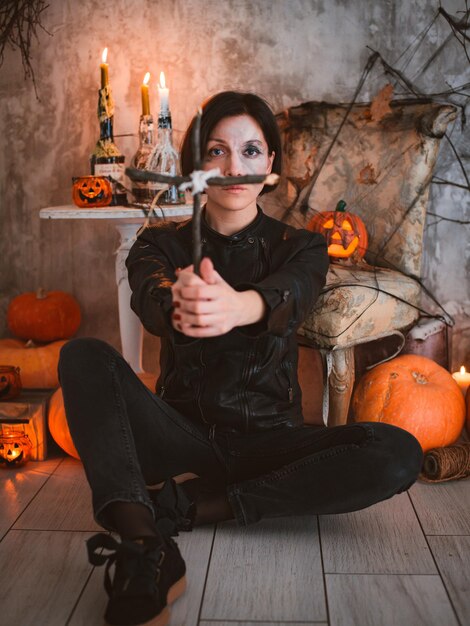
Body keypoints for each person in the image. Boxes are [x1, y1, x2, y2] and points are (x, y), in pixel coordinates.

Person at [58, 91, 423, 626]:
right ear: (197, 168)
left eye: (251, 151)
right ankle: (143, 542)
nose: (235, 168)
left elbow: (293, 291)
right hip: (177, 435)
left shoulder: (303, 247)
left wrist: (238, 306)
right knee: (82, 354)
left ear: (270, 165)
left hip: (273, 442)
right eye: (216, 152)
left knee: (397, 451)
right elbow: (152, 296)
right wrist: (178, 301)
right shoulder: (157, 245)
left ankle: (188, 508)